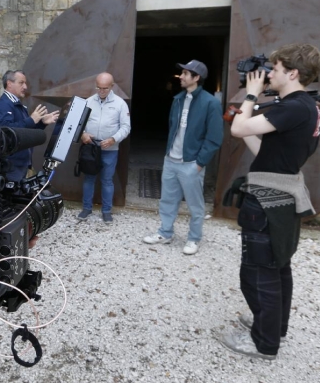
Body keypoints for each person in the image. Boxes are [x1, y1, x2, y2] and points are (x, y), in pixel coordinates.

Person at [219, 44, 320, 360]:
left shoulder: (293, 107)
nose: (269, 75)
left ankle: (264, 343)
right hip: (283, 193)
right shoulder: (306, 106)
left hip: (267, 200)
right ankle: (273, 327)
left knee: (258, 272)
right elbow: (262, 147)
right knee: (277, 266)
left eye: (275, 69)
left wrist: (251, 95)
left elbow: (238, 130)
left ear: (292, 73)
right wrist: (243, 119)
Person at [143, 60, 223, 255]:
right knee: (167, 200)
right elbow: (173, 129)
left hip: (191, 163)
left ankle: (194, 238)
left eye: (186, 74)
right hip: (171, 160)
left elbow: (214, 138)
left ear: (196, 78)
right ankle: (165, 232)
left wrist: (199, 163)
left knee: (195, 205)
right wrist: (169, 153)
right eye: (183, 73)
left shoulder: (210, 103)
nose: (182, 77)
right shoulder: (178, 99)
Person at [76, 72, 131, 223]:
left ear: (112, 87)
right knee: (89, 178)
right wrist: (83, 135)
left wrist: (114, 139)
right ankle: (86, 208)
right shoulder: (88, 102)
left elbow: (126, 127)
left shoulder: (120, 104)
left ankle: (106, 211)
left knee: (107, 180)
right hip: (91, 148)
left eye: (105, 88)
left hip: (110, 149)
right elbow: (77, 124)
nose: (101, 91)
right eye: (98, 87)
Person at [0, 70, 58, 181]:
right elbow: (6, 131)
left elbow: (25, 132)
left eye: (25, 83)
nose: (25, 86)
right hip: (11, 164)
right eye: (21, 83)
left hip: (20, 163)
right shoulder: (3, 105)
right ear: (9, 84)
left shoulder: (17, 104)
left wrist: (42, 123)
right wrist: (31, 120)